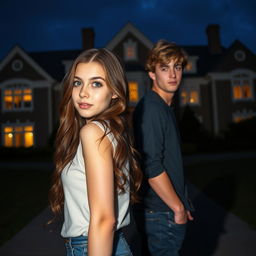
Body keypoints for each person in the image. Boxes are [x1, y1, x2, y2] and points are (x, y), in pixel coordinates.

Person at [49, 48, 142, 256]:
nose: (83, 92)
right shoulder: (114, 131)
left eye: (96, 83)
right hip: (113, 245)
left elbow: (103, 219)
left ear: (115, 91)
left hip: (92, 247)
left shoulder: (93, 132)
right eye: (77, 82)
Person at [133, 40, 194, 256]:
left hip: (164, 210)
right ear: (152, 73)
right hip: (160, 213)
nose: (173, 74)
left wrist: (182, 202)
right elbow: (152, 165)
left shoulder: (163, 107)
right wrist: (177, 207)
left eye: (177, 67)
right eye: (164, 68)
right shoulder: (152, 109)